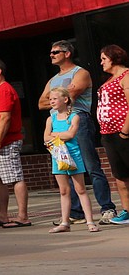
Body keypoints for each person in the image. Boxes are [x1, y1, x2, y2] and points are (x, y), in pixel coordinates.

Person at [38, 41, 117, 224]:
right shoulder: (53, 80)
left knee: (90, 165)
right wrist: (59, 99)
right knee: (65, 165)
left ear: (67, 53)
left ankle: (107, 208)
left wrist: (58, 98)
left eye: (55, 51)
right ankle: (76, 213)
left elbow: (71, 97)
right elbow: (41, 103)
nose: (51, 54)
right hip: (57, 124)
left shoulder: (80, 73)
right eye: (50, 52)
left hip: (77, 120)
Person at [43, 87, 99, 233]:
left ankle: (90, 221)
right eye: (50, 99)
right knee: (63, 190)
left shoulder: (74, 116)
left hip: (73, 155)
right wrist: (61, 134)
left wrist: (55, 134)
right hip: (58, 156)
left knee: (80, 189)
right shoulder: (51, 118)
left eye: (54, 98)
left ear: (65, 99)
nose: (52, 101)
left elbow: (71, 134)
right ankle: (64, 222)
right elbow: (45, 137)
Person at [0, 59, 30, 228]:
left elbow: (5, 117)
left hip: (7, 142)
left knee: (15, 177)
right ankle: (3, 215)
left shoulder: (4, 90)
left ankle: (22, 216)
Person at [96, 44, 129, 224]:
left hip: (122, 132)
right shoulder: (109, 79)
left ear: (114, 57)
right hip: (108, 133)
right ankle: (127, 210)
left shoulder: (126, 76)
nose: (101, 63)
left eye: (103, 59)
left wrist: (125, 130)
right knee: (120, 175)